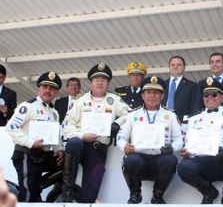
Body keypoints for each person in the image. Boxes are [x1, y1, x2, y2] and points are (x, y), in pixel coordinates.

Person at [55, 63, 130, 203]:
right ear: (91, 83)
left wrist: (116, 124)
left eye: (103, 80)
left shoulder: (114, 100)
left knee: (89, 198)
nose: (100, 83)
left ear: (108, 83)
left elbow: (130, 114)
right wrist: (82, 135)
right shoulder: (79, 100)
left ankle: (68, 189)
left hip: (99, 149)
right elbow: (67, 124)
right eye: (97, 80)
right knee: (74, 143)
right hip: (81, 144)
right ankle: (67, 191)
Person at [177, 77, 223, 204]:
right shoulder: (194, 118)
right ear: (203, 98)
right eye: (206, 95)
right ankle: (208, 191)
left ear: (222, 97)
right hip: (203, 161)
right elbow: (188, 143)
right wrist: (187, 152)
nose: (210, 97)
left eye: (214, 94)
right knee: (183, 167)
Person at [117, 75, 184, 204]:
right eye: (148, 92)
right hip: (139, 159)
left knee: (171, 159)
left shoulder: (170, 115)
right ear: (143, 95)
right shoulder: (132, 115)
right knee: (129, 159)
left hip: (160, 159)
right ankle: (135, 194)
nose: (152, 96)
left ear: (162, 96)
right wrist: (124, 146)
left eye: (156, 93)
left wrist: (172, 148)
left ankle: (157, 196)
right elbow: (121, 137)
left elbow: (179, 138)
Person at [5, 71, 64, 202]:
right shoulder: (28, 106)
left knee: (68, 160)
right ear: (39, 88)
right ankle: (31, 189)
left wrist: (59, 149)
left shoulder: (54, 113)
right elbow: (11, 127)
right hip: (26, 155)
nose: (48, 91)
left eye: (52, 88)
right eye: (45, 87)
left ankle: (38, 187)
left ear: (57, 92)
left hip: (42, 156)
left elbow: (54, 135)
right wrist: (30, 143)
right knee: (28, 198)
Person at [162, 56, 197, 121]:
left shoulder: (192, 86)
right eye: (173, 65)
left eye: (179, 65)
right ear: (169, 67)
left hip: (182, 122)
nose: (175, 66)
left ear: (184, 67)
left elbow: (194, 107)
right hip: (162, 120)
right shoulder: (161, 85)